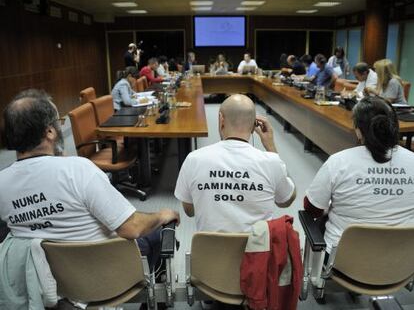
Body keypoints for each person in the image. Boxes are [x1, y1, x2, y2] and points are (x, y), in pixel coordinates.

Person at [0, 89, 180, 266]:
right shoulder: (78, 170)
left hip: (46, 281)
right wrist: (162, 214)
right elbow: (131, 228)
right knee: (156, 232)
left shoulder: (3, 182)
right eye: (59, 122)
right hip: (102, 274)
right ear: (49, 132)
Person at [304, 97, 414, 254]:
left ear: (358, 130)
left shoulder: (338, 162)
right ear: (395, 126)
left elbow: (312, 208)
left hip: (344, 262)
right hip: (403, 263)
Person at [174, 94, 296, 233]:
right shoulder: (271, 161)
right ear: (253, 125)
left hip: (210, 253)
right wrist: (271, 147)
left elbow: (189, 210)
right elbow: (286, 200)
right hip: (258, 252)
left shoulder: (194, 159)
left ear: (221, 120)